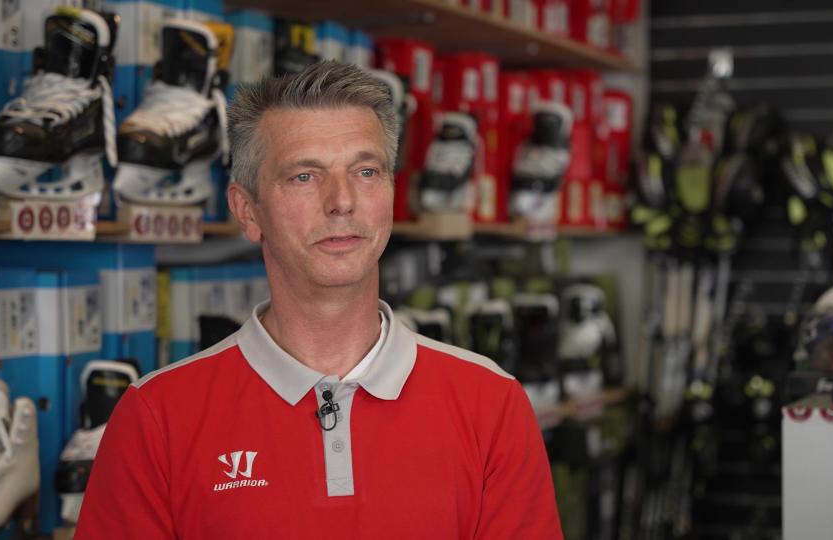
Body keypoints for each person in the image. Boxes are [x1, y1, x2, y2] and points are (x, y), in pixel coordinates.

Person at [75, 61, 562, 539]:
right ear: (248, 211)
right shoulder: (155, 416)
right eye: (304, 176)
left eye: (366, 171)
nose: (342, 200)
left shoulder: (492, 404)